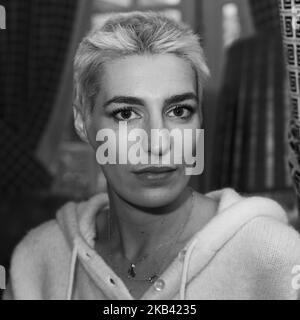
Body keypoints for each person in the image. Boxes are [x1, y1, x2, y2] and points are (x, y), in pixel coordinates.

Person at [3, 11, 300, 300]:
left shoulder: (275, 256)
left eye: (179, 111)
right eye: (126, 113)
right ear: (83, 123)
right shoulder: (39, 259)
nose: (158, 143)